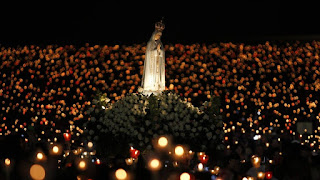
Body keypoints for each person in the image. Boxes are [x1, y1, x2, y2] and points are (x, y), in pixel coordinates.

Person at [141, 19, 166, 95]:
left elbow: (162, 53)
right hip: (152, 65)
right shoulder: (150, 43)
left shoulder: (160, 44)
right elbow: (149, 53)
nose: (158, 37)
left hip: (158, 65)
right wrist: (156, 51)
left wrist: (160, 51)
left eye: (159, 36)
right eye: (157, 35)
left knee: (157, 78)